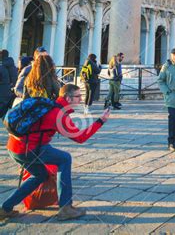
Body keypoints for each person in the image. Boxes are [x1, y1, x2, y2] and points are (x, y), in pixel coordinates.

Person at [0, 83, 110, 221]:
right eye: (78, 96)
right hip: (30, 149)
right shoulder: (58, 114)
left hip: (14, 147)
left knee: (40, 175)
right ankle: (65, 207)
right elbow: (80, 137)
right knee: (65, 159)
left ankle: (5, 208)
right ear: (68, 98)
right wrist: (101, 121)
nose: (81, 100)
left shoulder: (50, 105)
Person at [0, 50, 17, 118]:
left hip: (3, 88)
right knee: (5, 109)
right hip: (9, 89)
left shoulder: (2, 66)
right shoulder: (12, 65)